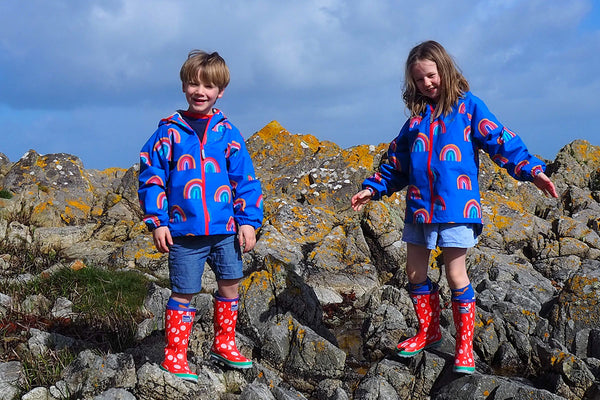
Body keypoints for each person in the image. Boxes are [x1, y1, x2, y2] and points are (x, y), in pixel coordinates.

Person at [351, 40, 558, 374]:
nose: (426, 84)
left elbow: (501, 141)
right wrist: (371, 189)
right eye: (419, 80)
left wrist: (533, 172)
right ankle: (428, 330)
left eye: (430, 76)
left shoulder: (469, 107)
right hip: (419, 207)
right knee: (415, 272)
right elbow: (396, 163)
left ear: (444, 71)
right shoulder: (416, 120)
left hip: (457, 208)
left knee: (454, 274)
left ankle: (464, 350)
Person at [138, 50, 263, 382]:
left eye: (208, 86)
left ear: (220, 91)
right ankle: (175, 355)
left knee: (231, 283)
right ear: (183, 86)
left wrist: (249, 222)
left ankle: (224, 343)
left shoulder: (227, 132)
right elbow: (151, 177)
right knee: (184, 290)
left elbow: (245, 180)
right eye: (193, 83)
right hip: (183, 231)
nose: (200, 91)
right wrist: (158, 221)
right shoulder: (168, 133)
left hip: (225, 229)